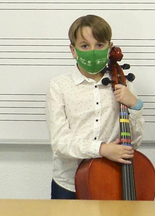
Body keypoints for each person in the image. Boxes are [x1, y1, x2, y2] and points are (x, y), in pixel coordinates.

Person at [48, 14, 143, 205]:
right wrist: (101, 149)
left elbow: (135, 142)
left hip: (111, 180)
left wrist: (136, 106)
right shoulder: (59, 86)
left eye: (99, 45)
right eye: (84, 46)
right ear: (73, 50)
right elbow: (60, 143)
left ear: (110, 47)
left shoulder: (123, 84)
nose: (92, 51)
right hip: (69, 184)